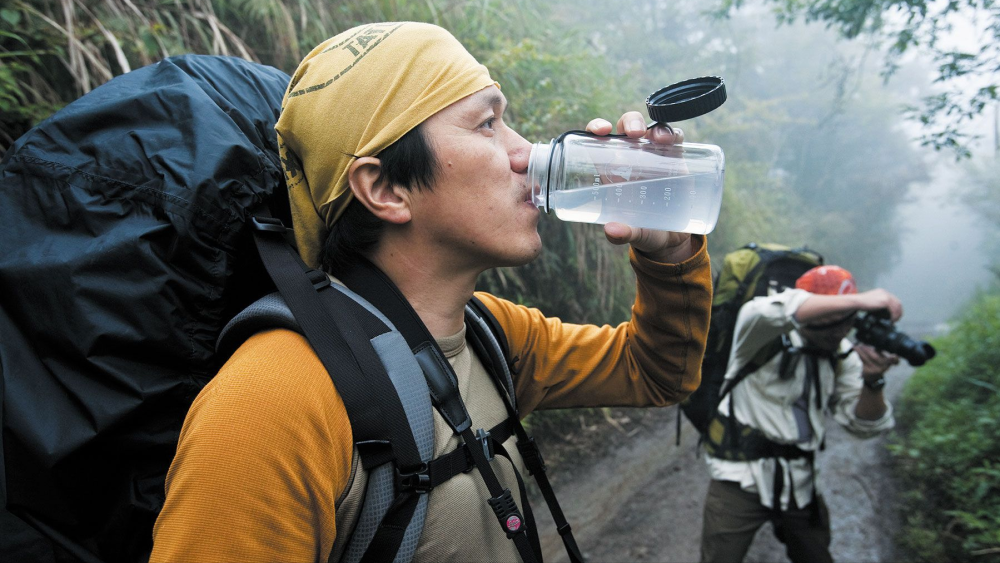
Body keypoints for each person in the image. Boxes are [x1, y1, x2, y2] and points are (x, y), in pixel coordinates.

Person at [149, 22, 712, 563]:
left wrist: (669, 254)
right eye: (487, 124)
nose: (525, 152)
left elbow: (656, 372)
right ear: (386, 189)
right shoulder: (272, 403)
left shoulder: (491, 334)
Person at [699, 264, 901, 563]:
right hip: (739, 478)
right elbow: (774, 309)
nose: (838, 331)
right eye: (828, 319)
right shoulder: (761, 330)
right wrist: (860, 301)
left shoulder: (842, 355)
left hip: (801, 481)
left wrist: (873, 381)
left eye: (845, 322)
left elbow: (862, 426)